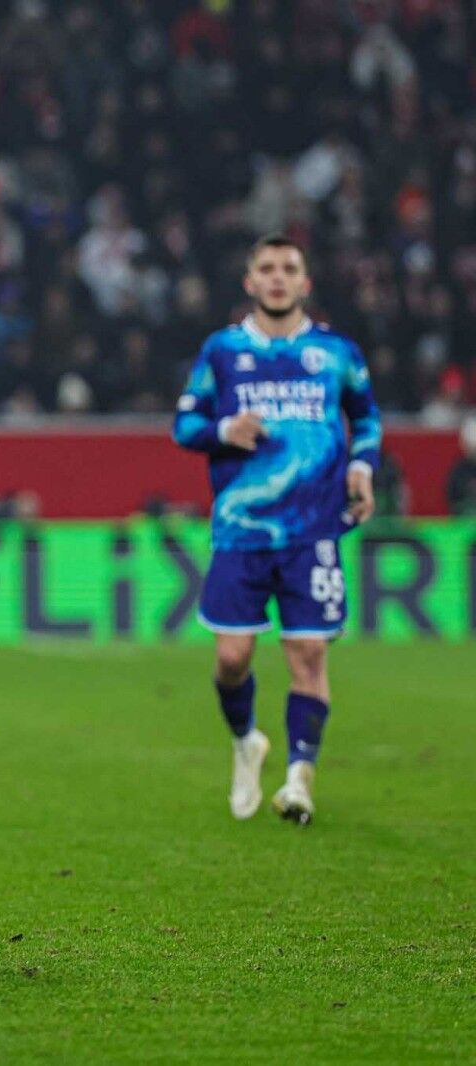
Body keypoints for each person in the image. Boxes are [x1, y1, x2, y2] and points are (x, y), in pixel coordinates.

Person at [172, 235, 381, 826]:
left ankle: (298, 781)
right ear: (250, 282)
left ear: (305, 282)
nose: (278, 277)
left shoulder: (336, 352)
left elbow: (366, 417)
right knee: (232, 658)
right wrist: (223, 430)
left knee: (308, 653)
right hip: (241, 530)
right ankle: (246, 741)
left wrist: (362, 468)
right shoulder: (223, 351)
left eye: (289, 268)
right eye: (266, 268)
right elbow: (184, 424)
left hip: (314, 529)